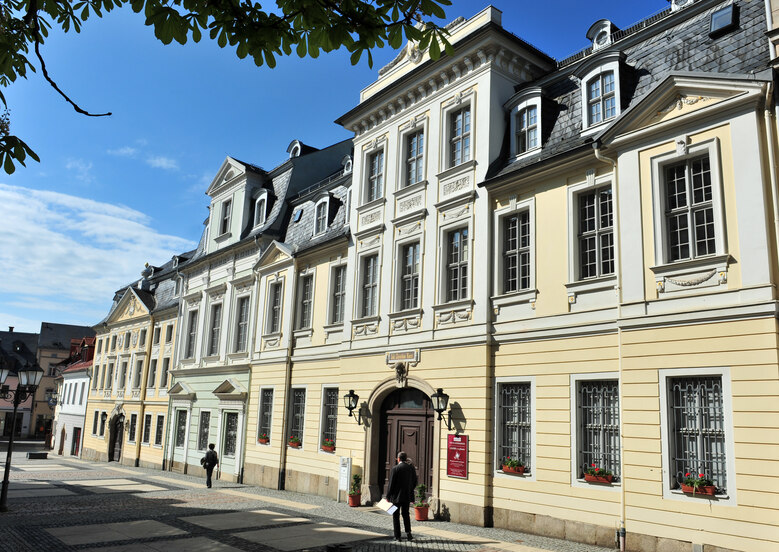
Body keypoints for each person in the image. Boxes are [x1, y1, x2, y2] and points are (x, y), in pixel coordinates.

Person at [386, 451, 418, 542]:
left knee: (395, 516)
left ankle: (397, 536)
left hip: (395, 498)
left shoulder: (395, 468)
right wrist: (409, 489)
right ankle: (409, 534)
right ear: (405, 458)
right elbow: (415, 481)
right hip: (406, 496)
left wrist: (388, 496)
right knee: (406, 515)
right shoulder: (411, 468)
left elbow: (391, 484)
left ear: (398, 459)